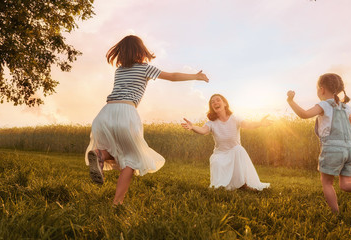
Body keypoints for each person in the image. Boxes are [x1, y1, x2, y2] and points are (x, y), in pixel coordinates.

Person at [85, 35, 209, 205]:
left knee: (117, 151)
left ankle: (100, 154)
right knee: (131, 159)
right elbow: (172, 76)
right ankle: (117, 203)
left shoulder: (119, 71)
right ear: (140, 51)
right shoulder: (144, 68)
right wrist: (195, 76)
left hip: (105, 113)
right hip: (126, 112)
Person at [286, 73, 351, 215]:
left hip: (332, 150)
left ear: (322, 89)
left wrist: (291, 101)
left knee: (327, 183)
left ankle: (335, 213)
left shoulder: (324, 105)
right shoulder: (345, 108)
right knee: (346, 184)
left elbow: (304, 114)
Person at [182, 94, 271, 191]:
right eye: (212, 102)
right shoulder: (211, 123)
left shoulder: (235, 118)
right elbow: (203, 130)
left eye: (218, 100)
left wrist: (260, 123)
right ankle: (225, 186)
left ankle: (243, 184)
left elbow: (247, 124)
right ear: (212, 107)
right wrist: (193, 127)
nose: (215, 103)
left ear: (225, 104)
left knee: (239, 149)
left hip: (235, 152)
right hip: (220, 154)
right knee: (216, 161)